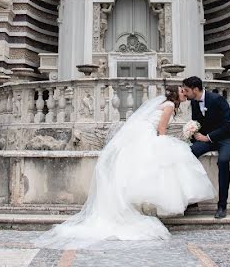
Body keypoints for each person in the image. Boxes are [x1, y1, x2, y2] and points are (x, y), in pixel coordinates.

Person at [36, 85, 215, 248]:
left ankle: (139, 206)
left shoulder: (166, 104)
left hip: (142, 132)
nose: (185, 94)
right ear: (176, 95)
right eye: (183, 92)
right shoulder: (169, 106)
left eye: (185, 91)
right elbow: (161, 130)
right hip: (147, 134)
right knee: (169, 159)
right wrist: (171, 142)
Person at [181, 76, 230, 219]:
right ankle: (192, 199)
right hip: (208, 139)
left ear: (196, 89)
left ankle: (222, 205)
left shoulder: (217, 99)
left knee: (223, 161)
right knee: (188, 154)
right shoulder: (194, 103)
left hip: (227, 138)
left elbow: (227, 125)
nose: (184, 93)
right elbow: (197, 123)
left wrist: (207, 137)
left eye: (187, 90)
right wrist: (193, 133)